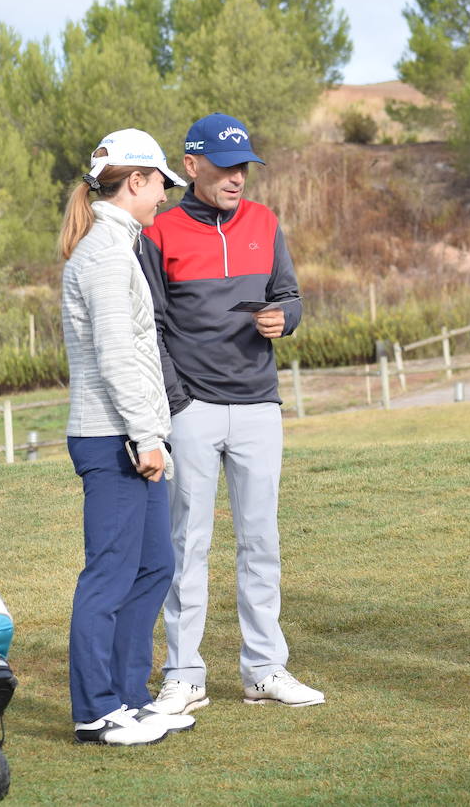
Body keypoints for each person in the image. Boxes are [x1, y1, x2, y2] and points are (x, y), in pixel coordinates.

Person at [139, 113, 323, 715]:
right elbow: (153, 329)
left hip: (258, 406)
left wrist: (283, 319)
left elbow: (290, 295)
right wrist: (178, 403)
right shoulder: (159, 232)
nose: (237, 177)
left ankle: (264, 669)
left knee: (260, 542)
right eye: (224, 166)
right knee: (187, 543)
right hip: (191, 408)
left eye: (243, 166)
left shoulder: (265, 222)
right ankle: (184, 673)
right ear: (191, 167)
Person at [60, 128, 196, 745]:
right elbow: (117, 354)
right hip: (113, 436)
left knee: (154, 565)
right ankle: (95, 710)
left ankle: (128, 697)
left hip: (133, 434)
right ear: (135, 181)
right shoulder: (107, 255)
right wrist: (146, 436)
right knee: (110, 575)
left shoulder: (121, 247)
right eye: (160, 183)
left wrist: (152, 434)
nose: (165, 195)